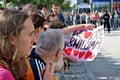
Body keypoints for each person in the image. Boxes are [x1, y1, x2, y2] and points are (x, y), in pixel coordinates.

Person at [0, 10, 54, 80]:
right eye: (30, 34)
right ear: (12, 38)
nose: (34, 40)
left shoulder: (15, 64)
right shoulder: (4, 76)